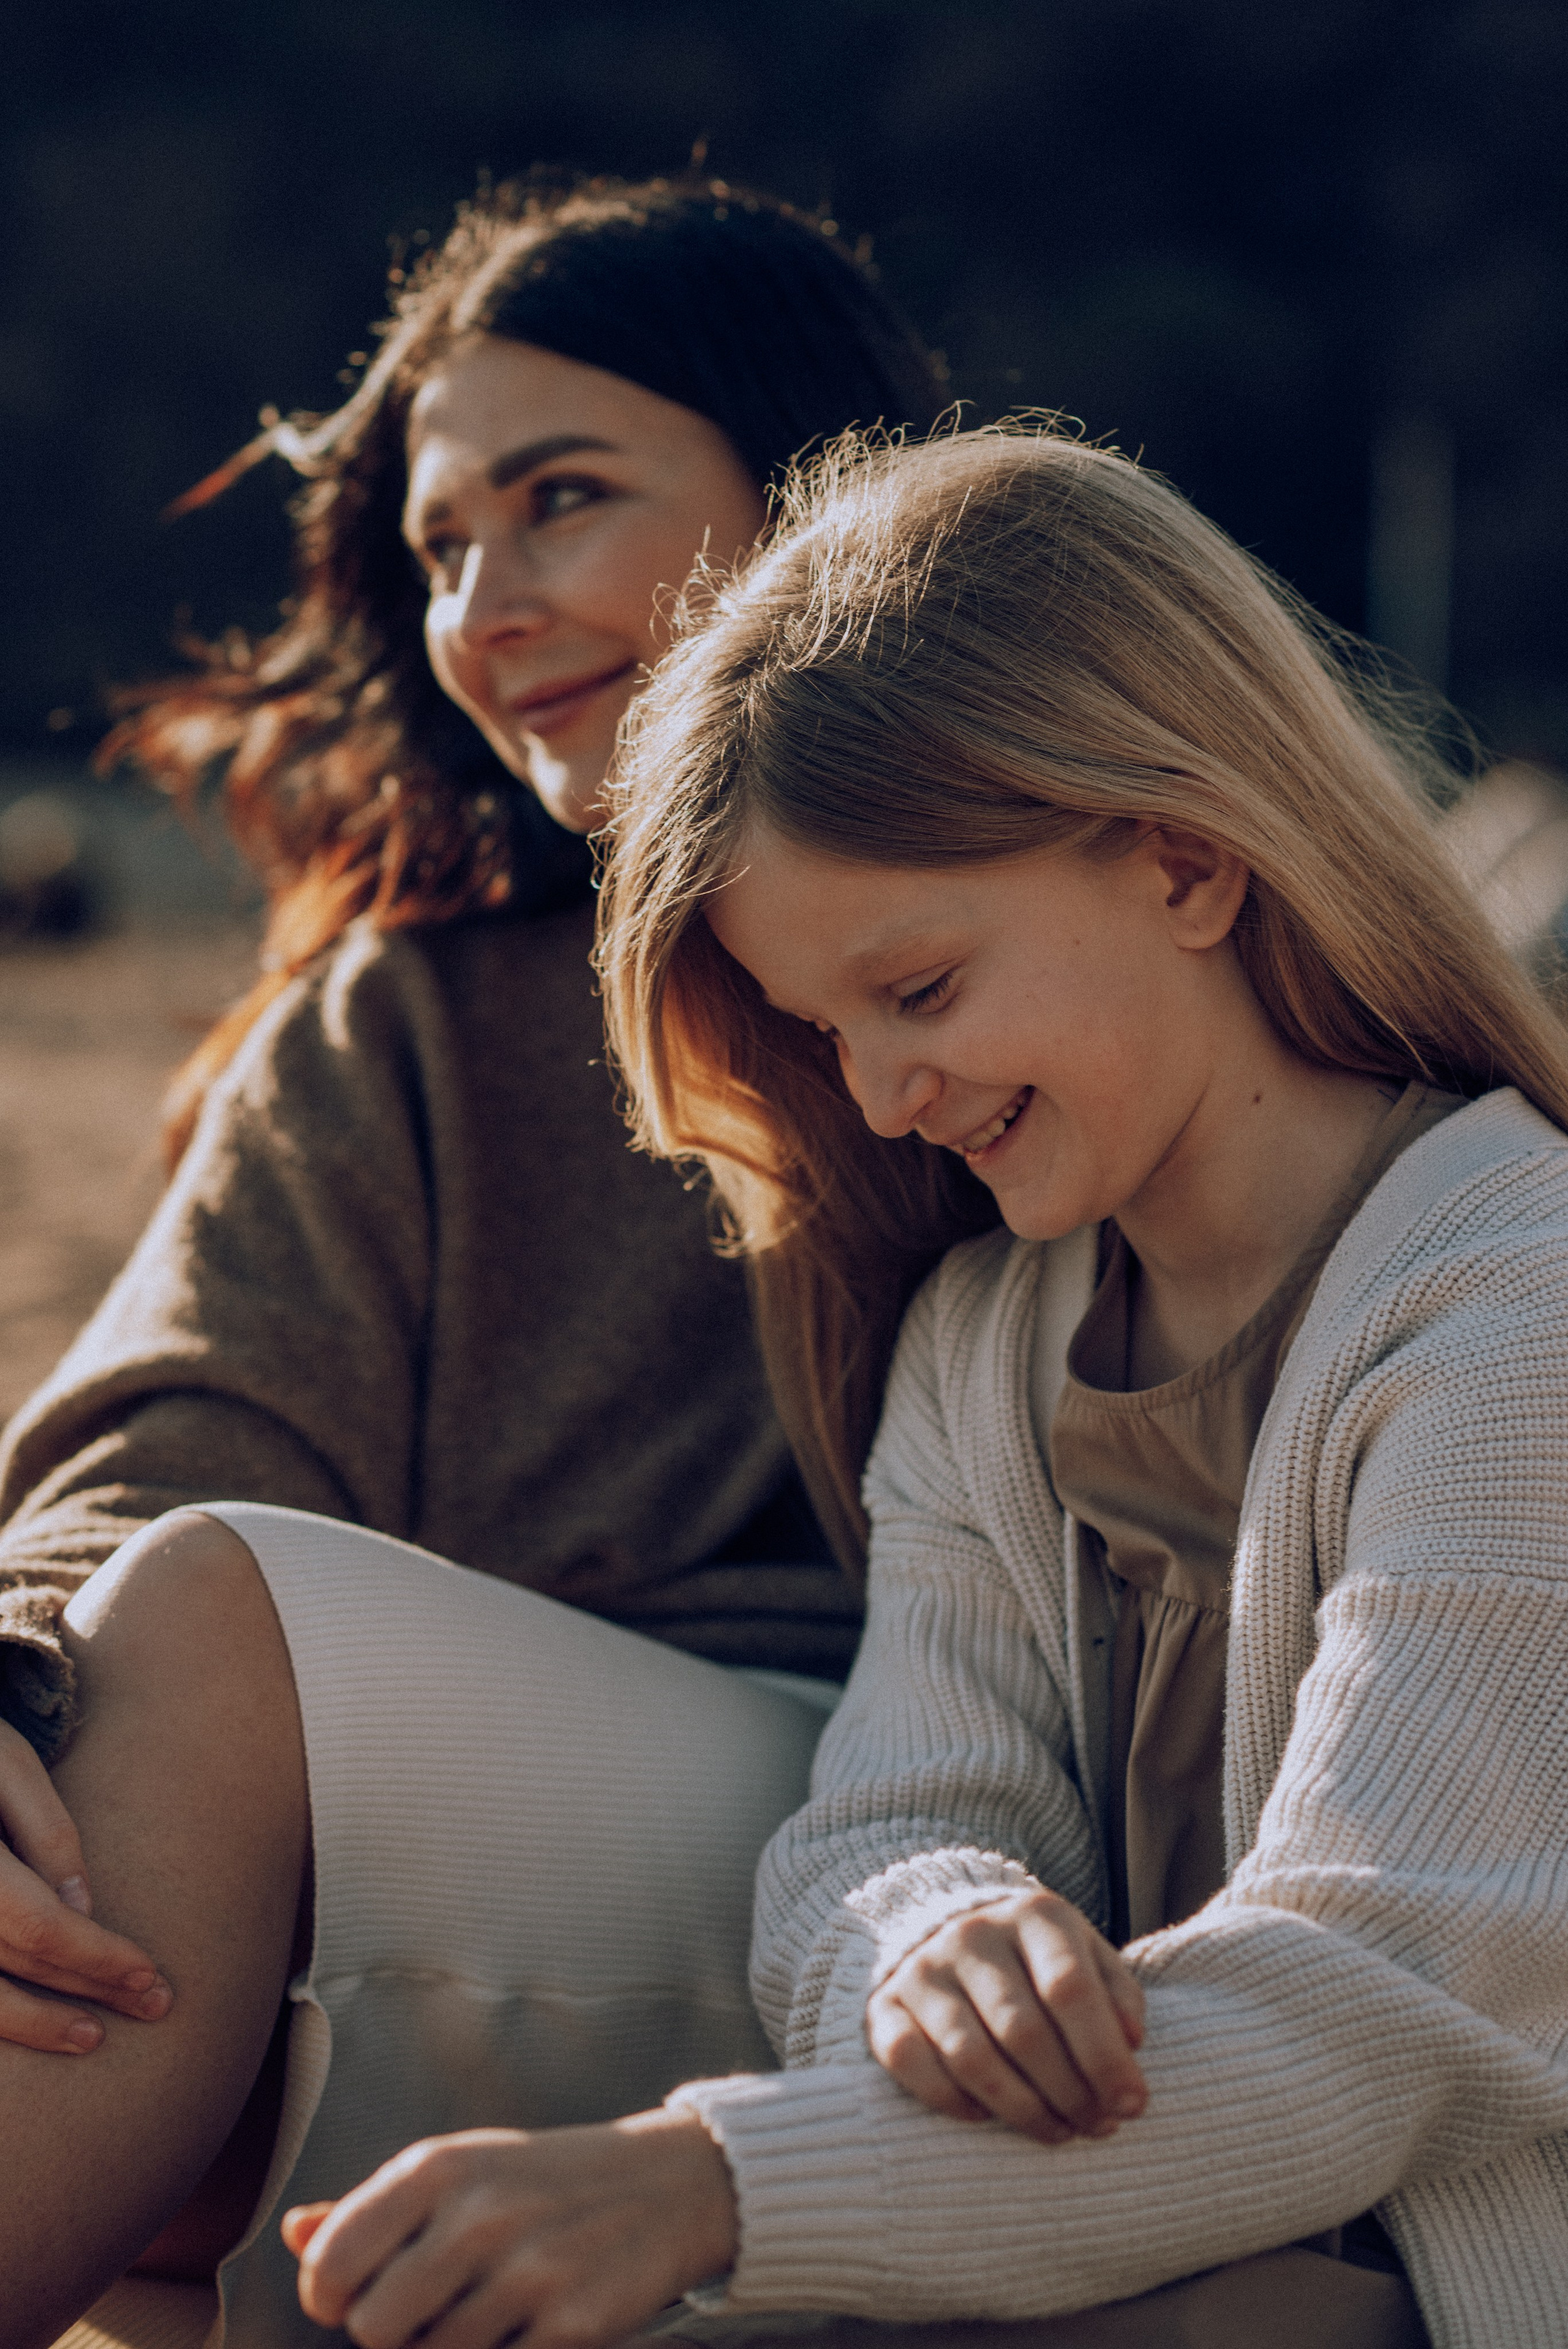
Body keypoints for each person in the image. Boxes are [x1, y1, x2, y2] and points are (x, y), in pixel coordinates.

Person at [260, 423, 1568, 2349]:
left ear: (1188, 860)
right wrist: (944, 1932)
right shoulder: (984, 1344)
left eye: (923, 989)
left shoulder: (1519, 1305)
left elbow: (1360, 2010)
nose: (876, 1097)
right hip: (1082, 2228)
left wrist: (706, 2181)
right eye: (823, 1028)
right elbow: (874, 1829)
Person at [0, 181, 949, 2347]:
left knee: (217, 1648)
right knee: (75, 1825)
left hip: (956, 1856)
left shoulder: (1033, 936)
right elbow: (164, 1438)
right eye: (438, 547)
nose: (487, 605)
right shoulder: (411, 1013)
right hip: (454, 1883)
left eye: (561, 501)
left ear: (816, 483)